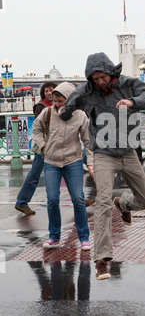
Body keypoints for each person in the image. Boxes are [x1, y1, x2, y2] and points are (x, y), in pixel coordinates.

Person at [59, 52, 145, 280]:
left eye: (102, 77)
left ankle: (123, 204)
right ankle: (102, 260)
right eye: (95, 79)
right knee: (103, 202)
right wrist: (65, 112)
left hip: (128, 152)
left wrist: (132, 101)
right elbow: (69, 105)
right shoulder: (87, 91)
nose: (100, 82)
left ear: (110, 72)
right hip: (104, 154)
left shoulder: (129, 84)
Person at [32, 82, 94, 251]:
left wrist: (90, 163)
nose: (58, 104)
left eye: (61, 101)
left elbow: (88, 142)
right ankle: (54, 236)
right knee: (52, 199)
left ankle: (84, 237)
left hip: (72, 161)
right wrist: (44, 146)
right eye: (55, 101)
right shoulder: (47, 113)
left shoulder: (80, 115)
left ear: (70, 100)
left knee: (78, 199)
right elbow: (36, 130)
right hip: (51, 161)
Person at [15, 81, 57, 215]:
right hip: (44, 145)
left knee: (69, 169)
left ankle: (79, 198)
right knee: (35, 174)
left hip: (57, 144)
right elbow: (41, 125)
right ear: (43, 93)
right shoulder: (40, 106)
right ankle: (21, 202)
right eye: (47, 91)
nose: (49, 93)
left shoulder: (61, 103)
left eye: (51, 90)